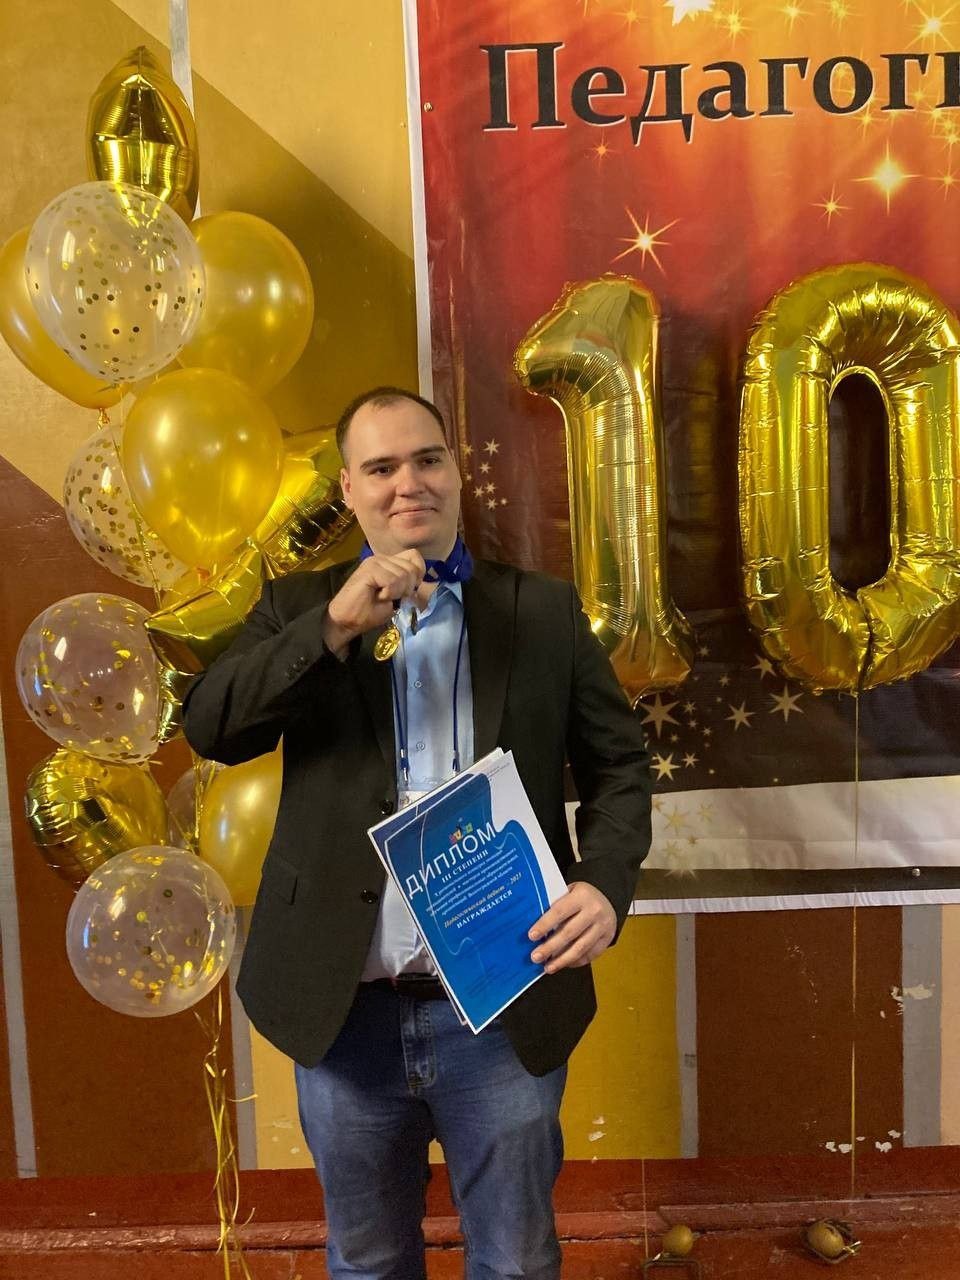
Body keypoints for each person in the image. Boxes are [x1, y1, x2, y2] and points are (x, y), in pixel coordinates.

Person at [182, 387, 652, 1280]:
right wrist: (332, 628)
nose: (410, 484)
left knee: (516, 1262)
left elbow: (620, 767)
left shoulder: (544, 611)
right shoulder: (297, 607)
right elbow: (212, 727)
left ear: (455, 471)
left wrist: (603, 883)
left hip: (506, 1002)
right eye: (381, 467)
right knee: (367, 1261)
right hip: (343, 1009)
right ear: (349, 490)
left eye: (428, 459)